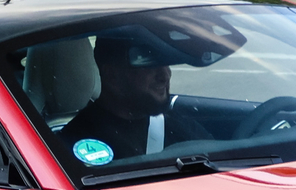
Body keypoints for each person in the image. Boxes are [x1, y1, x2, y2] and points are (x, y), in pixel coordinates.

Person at [56, 31, 213, 166]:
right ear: (112, 75)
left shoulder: (179, 125)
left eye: (165, 63)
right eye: (148, 63)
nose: (165, 76)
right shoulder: (75, 144)